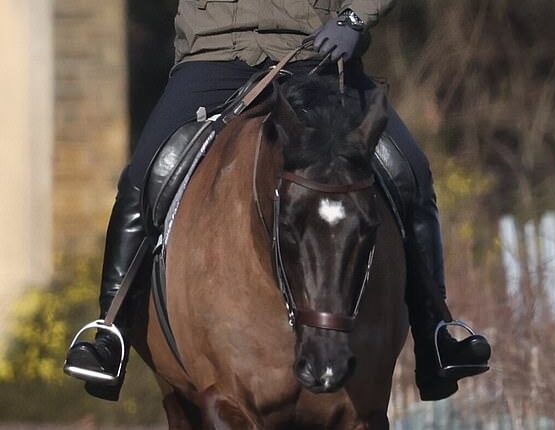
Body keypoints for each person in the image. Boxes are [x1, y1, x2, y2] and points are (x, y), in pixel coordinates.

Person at [64, 0, 491, 402]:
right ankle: (110, 333)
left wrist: (355, 18)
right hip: (214, 56)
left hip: (317, 50)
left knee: (410, 171)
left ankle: (435, 332)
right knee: (142, 177)